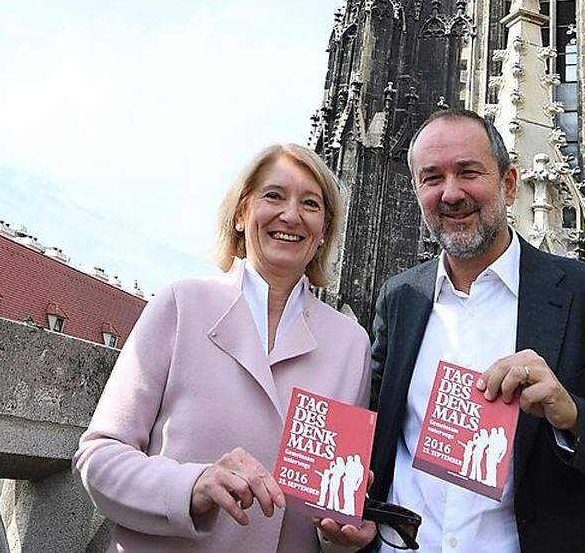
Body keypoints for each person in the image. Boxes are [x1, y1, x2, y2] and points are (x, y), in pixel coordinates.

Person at [323, 109, 585, 552]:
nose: (451, 193)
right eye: (432, 178)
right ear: (416, 191)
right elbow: (375, 441)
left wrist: (575, 418)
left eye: (469, 172)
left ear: (509, 183)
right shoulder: (400, 299)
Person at [74, 144, 373, 552]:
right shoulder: (182, 305)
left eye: (310, 203)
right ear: (239, 213)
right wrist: (192, 485)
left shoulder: (351, 345)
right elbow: (99, 458)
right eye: (273, 195)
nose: (291, 215)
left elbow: (327, 514)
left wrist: (346, 535)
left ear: (324, 231)